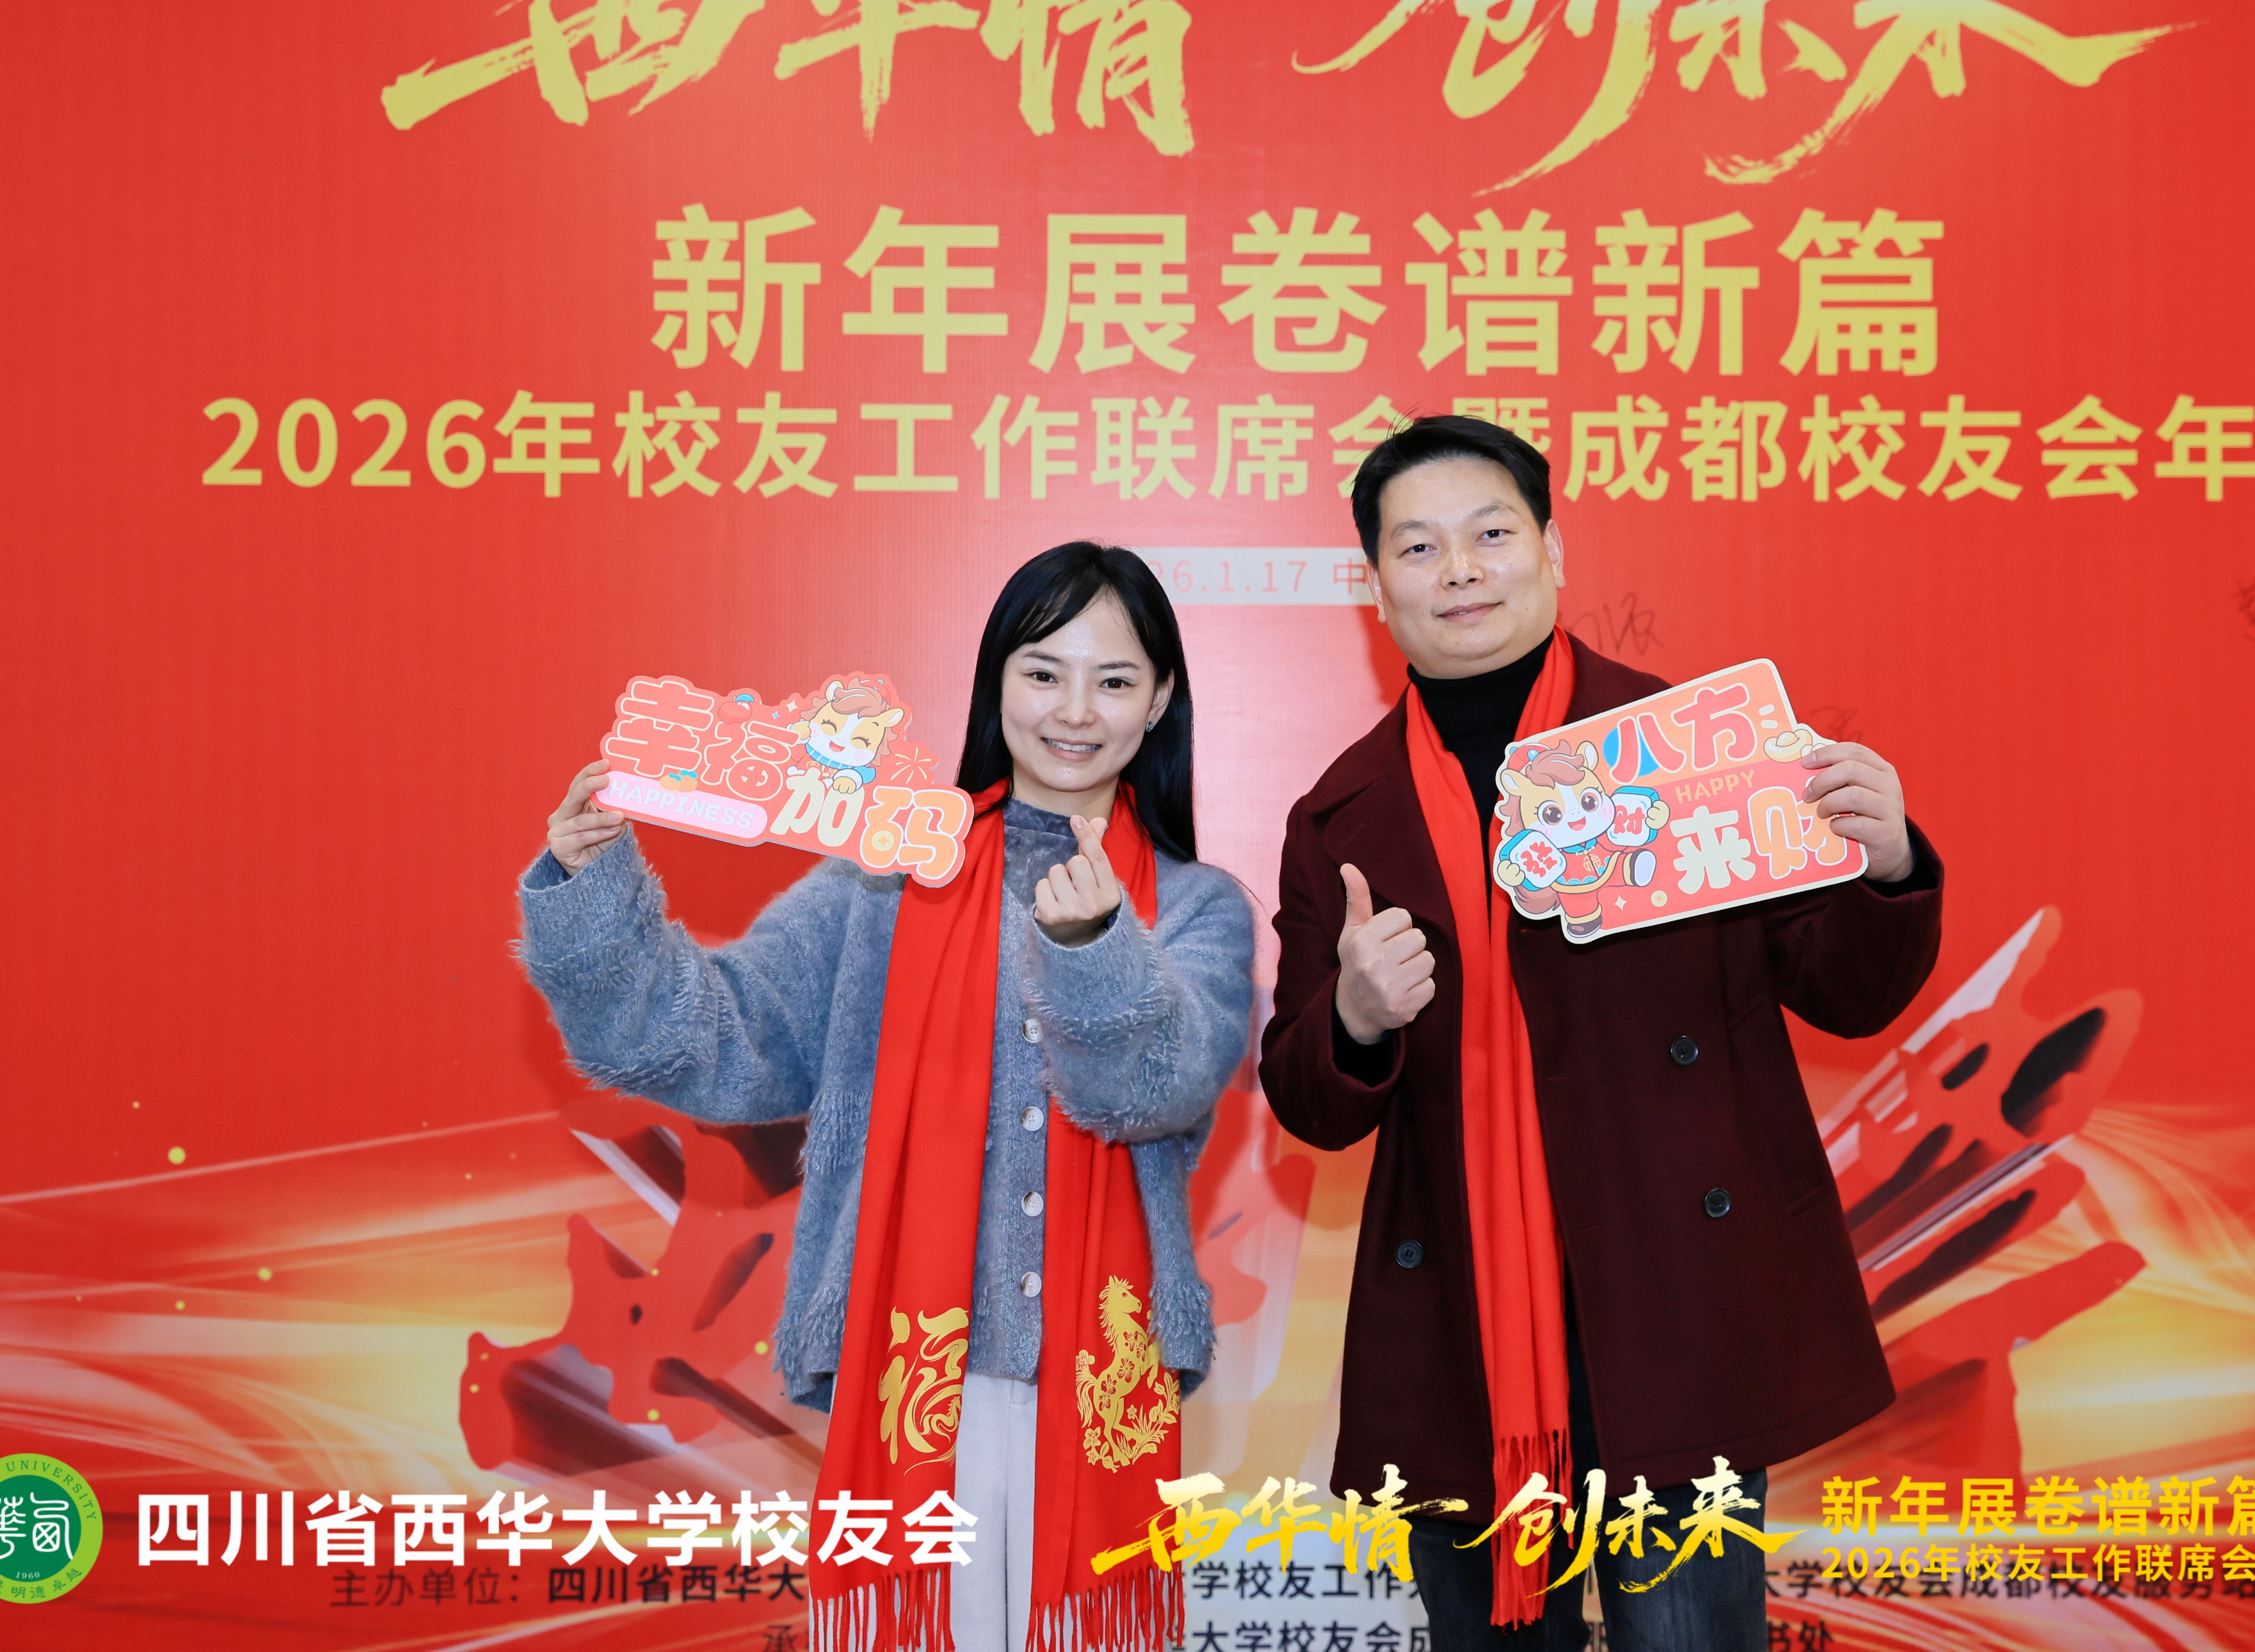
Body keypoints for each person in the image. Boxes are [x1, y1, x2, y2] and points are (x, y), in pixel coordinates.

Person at [1260, 418, 1944, 1652]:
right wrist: (1354, 1018)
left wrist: (1887, 859)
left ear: (1553, 551)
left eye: (1491, 533)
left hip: (1677, 1300)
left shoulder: (1692, 753)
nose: (1460, 570)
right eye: (1418, 546)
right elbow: (1307, 1100)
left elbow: (1847, 990)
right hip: (1462, 1331)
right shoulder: (1340, 815)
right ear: (1378, 585)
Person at [520, 542, 1253, 1652]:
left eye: (1113, 680)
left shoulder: (1199, 907)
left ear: (1158, 702)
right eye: (1043, 672)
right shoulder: (885, 878)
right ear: (996, 682)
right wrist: (592, 891)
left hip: (1100, 1386)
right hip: (915, 1375)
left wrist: (1096, 945)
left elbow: (1153, 1091)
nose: (1075, 710)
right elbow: (711, 1041)